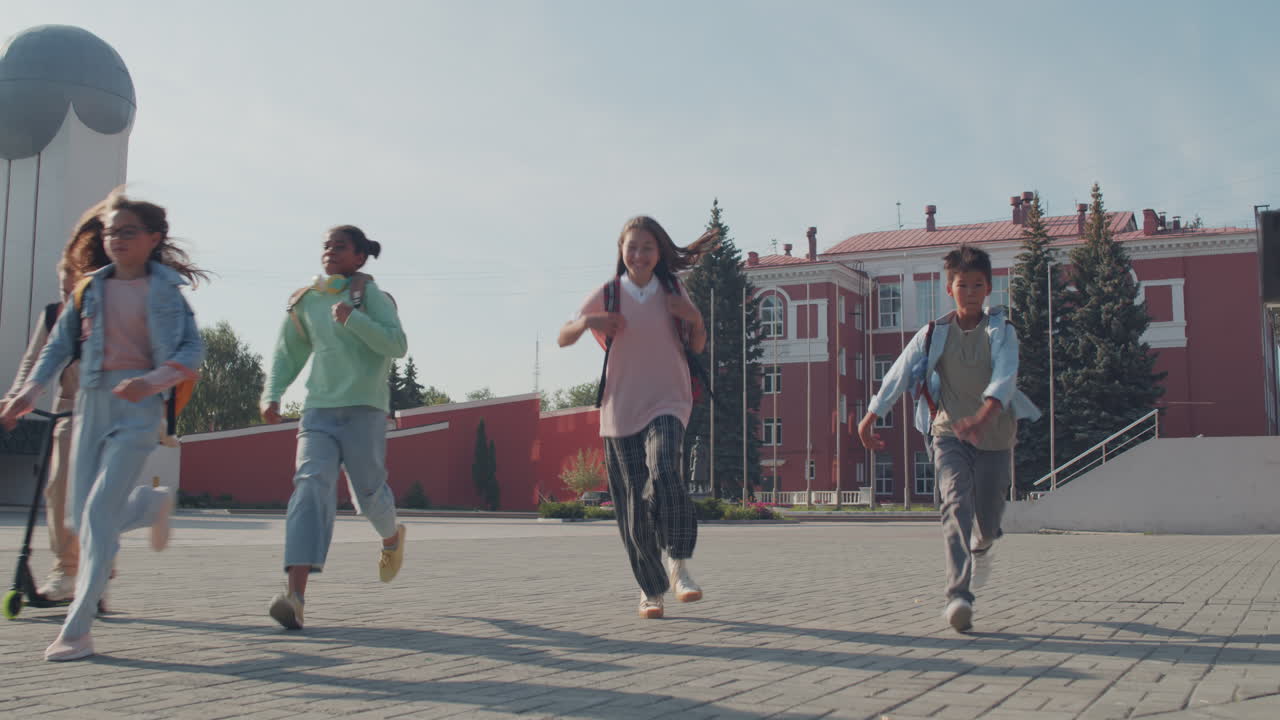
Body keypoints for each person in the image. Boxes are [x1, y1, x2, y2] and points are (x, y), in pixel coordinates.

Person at [0, 193, 207, 660]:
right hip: (91, 403)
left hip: (138, 406)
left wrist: (153, 380)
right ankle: (150, 505)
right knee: (78, 517)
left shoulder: (166, 292)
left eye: (127, 232)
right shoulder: (89, 289)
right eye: (111, 232)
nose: (116, 240)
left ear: (154, 239)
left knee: (94, 516)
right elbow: (56, 348)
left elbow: (192, 351)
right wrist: (28, 392)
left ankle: (78, 628)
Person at [857, 244, 1039, 633]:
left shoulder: (1002, 331)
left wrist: (985, 415)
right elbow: (899, 373)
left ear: (989, 288)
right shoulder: (933, 334)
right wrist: (870, 418)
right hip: (948, 432)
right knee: (956, 504)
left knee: (988, 520)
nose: (970, 292)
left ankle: (986, 542)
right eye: (962, 285)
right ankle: (958, 595)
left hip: (995, 435)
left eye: (977, 285)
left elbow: (1006, 375)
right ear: (948, 288)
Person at [558, 216, 717, 619]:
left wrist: (695, 317)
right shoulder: (609, 293)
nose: (640, 255)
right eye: (632, 247)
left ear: (659, 252)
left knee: (664, 469)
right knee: (631, 504)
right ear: (621, 251)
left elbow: (696, 344)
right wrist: (588, 322)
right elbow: (564, 335)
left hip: (669, 400)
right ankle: (650, 591)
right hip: (620, 409)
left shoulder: (672, 290)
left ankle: (679, 566)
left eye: (648, 247)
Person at [261, 224, 408, 631]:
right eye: (326, 245)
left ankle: (392, 537)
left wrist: (354, 319)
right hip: (318, 412)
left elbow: (396, 345)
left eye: (340, 246)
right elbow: (286, 352)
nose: (330, 251)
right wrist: (272, 392)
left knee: (368, 494)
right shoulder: (306, 301)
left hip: (365, 411)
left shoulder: (370, 296)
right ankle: (295, 597)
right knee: (310, 486)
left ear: (360, 256)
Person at [1, 207, 109, 602]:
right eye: (63, 292)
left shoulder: (107, 309)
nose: (68, 300)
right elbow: (34, 361)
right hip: (67, 408)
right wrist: (16, 398)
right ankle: (68, 572)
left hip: (108, 409)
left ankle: (95, 569)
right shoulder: (54, 315)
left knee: (97, 494)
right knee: (58, 489)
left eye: (73, 292)